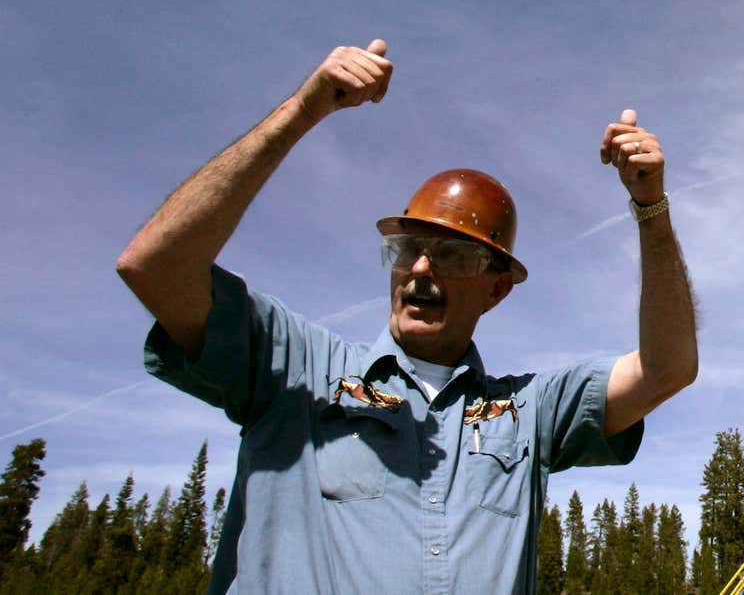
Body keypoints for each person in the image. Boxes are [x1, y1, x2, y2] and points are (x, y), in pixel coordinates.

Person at [115, 39, 697, 593]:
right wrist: (302, 110)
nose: (420, 269)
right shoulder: (294, 371)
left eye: (450, 255)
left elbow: (666, 369)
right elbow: (154, 266)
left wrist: (651, 208)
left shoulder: (528, 415)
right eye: (406, 249)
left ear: (496, 291)